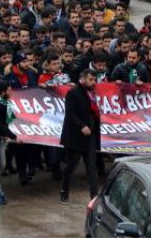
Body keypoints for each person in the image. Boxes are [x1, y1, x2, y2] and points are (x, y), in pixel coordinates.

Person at [60, 69, 101, 204]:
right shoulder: (73, 93)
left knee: (91, 168)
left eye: (94, 80)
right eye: (90, 79)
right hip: (74, 137)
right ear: (82, 79)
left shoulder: (92, 93)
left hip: (89, 137)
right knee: (71, 165)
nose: (92, 82)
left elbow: (94, 113)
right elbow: (70, 113)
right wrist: (81, 125)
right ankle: (64, 190)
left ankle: (94, 197)